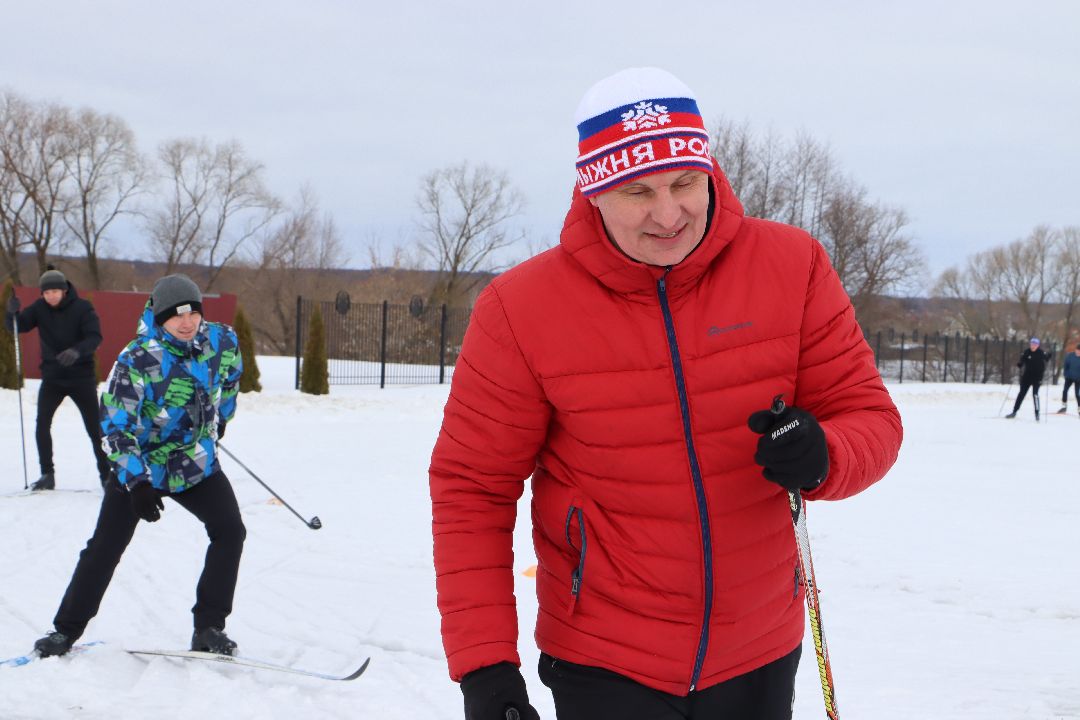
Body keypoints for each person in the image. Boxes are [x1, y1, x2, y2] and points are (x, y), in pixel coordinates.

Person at [429, 67, 903, 720]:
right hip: (604, 662)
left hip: (760, 649)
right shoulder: (520, 309)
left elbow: (870, 417)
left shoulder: (792, 267)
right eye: (637, 191)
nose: (669, 212)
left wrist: (827, 453)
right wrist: (485, 670)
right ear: (592, 192)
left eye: (684, 182)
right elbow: (471, 488)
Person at [32, 273, 246, 659]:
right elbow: (115, 426)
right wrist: (137, 483)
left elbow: (231, 377)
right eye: (176, 316)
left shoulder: (222, 340)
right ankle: (65, 630)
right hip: (142, 465)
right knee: (105, 546)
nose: (186, 323)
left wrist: (222, 416)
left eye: (192, 314)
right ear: (159, 317)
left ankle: (209, 626)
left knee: (230, 530)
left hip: (195, 461)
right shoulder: (136, 358)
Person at [4, 267, 111, 490]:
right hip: (53, 377)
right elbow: (17, 327)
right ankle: (47, 474)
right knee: (42, 424)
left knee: (95, 428)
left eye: (55, 291)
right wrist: (11, 313)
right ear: (42, 294)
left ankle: (106, 475)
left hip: (81, 377)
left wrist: (77, 351)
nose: (51, 295)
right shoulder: (39, 309)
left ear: (64, 290)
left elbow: (95, 337)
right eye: (46, 292)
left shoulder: (83, 308)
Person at [1006, 337, 1051, 420]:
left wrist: (1049, 355)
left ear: (1038, 345)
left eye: (1035, 344)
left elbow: (1047, 358)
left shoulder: (1041, 352)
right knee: (1021, 394)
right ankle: (1014, 411)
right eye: (1032, 344)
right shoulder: (1027, 352)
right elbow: (1022, 360)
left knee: (1035, 394)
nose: (1033, 346)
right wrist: (1020, 364)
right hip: (1027, 376)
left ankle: (1037, 414)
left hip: (1037, 377)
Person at [1057, 342, 1080, 415]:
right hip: (1069, 377)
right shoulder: (1070, 356)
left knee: (1077, 394)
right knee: (1065, 391)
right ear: (1075, 350)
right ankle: (1064, 407)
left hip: (1078, 379)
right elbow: (1066, 366)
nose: (1078, 352)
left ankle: (1079, 409)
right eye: (1077, 350)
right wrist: (1065, 374)